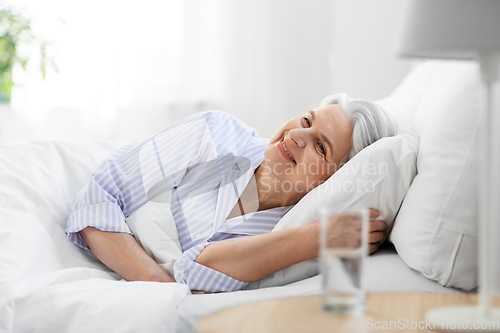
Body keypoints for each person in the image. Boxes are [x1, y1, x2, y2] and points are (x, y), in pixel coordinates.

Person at [66, 93, 397, 293]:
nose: (297, 134)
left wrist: (318, 238)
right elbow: (98, 196)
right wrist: (155, 282)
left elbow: (198, 271)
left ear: (339, 179)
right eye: (307, 120)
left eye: (321, 146)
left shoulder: (291, 229)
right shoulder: (215, 133)